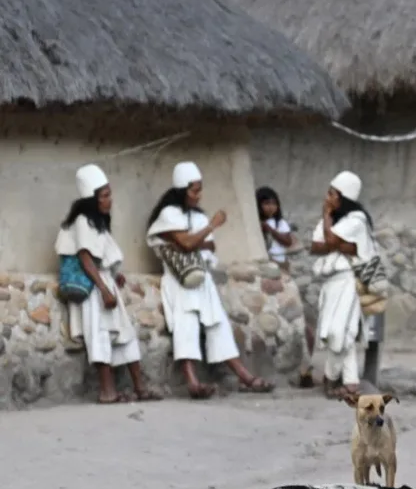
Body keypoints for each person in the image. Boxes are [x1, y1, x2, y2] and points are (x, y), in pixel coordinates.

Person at [146, 161, 275, 399]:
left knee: (219, 325)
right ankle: (192, 383)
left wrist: (194, 239)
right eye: (194, 190)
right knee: (186, 326)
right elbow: (186, 244)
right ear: (182, 190)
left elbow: (206, 244)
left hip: (202, 279)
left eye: (200, 189)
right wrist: (210, 227)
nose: (199, 195)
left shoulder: (197, 217)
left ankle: (244, 376)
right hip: (180, 280)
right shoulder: (168, 215)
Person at [55, 164, 161, 404]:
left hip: (105, 283)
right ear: (92, 199)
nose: (109, 200)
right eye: (104, 195)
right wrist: (103, 289)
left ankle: (140, 388)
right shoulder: (83, 220)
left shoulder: (96, 221)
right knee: (100, 337)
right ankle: (107, 391)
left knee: (125, 334)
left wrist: (114, 276)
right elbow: (84, 255)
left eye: (109, 194)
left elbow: (101, 254)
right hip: (95, 289)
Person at [308, 171, 377, 401]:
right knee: (339, 333)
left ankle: (330, 377)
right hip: (330, 284)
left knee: (340, 332)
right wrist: (336, 243)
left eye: (331, 194)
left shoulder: (357, 219)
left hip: (349, 282)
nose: (327, 198)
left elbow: (328, 241)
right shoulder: (335, 220)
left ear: (342, 197)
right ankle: (351, 383)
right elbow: (316, 246)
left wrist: (327, 217)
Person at [257, 186, 297, 271]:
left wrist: (270, 230)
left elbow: (288, 242)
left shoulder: (280, 223)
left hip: (279, 261)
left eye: (274, 204)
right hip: (264, 262)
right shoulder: (256, 222)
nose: (271, 207)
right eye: (267, 203)